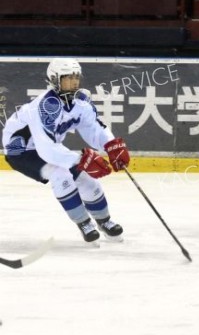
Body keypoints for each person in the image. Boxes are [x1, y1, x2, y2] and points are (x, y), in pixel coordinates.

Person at [2, 58, 130, 244]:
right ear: (55, 79)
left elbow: (93, 127)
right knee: (60, 174)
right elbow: (47, 150)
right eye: (68, 77)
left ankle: (105, 221)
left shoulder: (80, 101)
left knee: (87, 180)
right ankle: (84, 223)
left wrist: (111, 145)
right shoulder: (46, 107)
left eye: (76, 76)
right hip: (22, 152)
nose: (75, 81)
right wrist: (80, 159)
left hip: (47, 148)